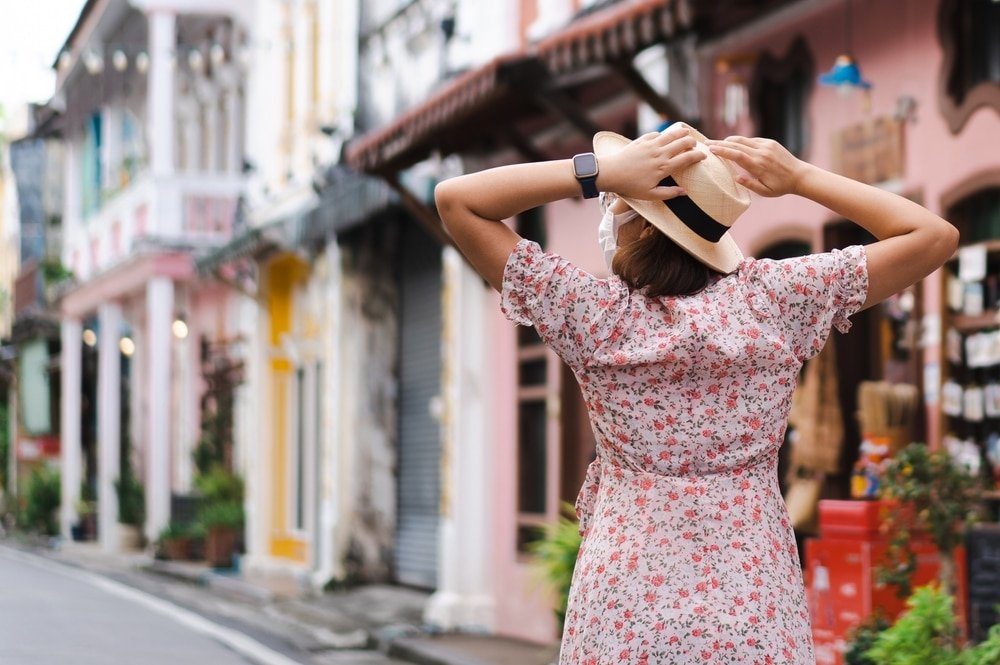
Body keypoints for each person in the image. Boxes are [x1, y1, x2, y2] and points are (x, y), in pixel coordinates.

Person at [434, 123, 957, 664]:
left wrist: (599, 172)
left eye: (616, 205)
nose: (608, 213)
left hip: (625, 602)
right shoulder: (777, 300)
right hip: (753, 598)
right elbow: (933, 236)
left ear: (637, 227)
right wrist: (801, 177)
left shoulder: (594, 315)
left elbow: (458, 201)